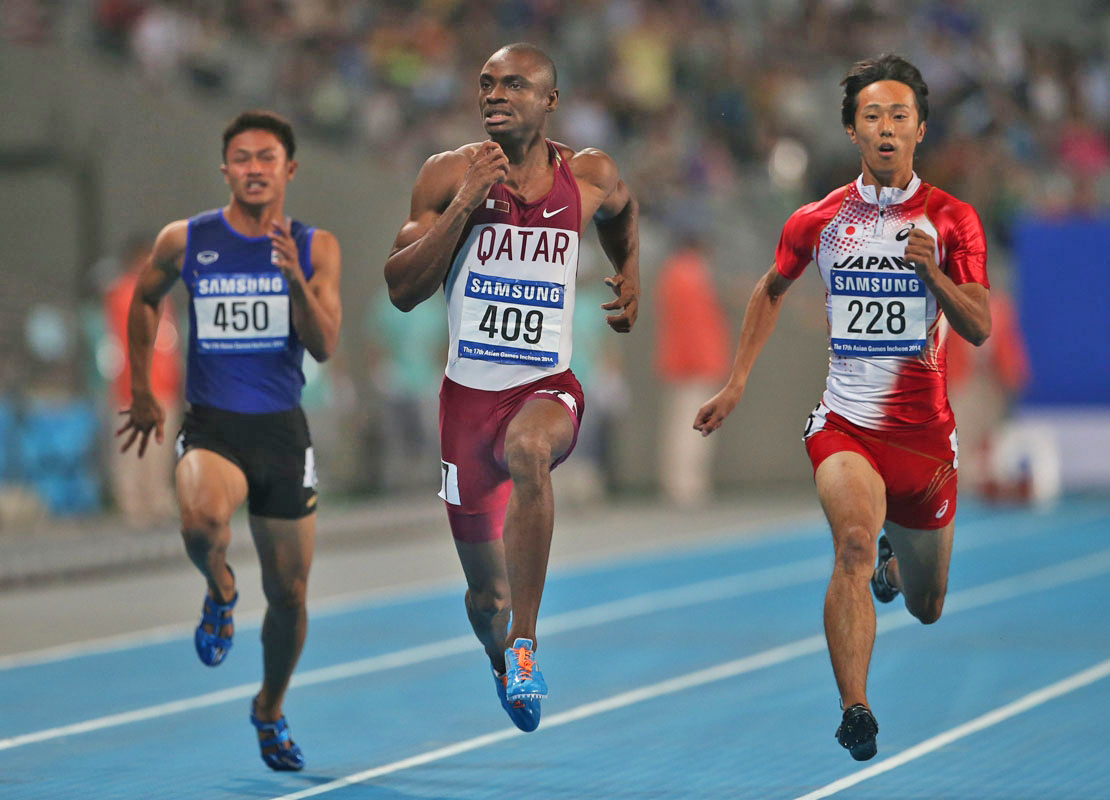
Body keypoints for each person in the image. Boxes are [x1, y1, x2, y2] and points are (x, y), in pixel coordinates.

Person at [694, 54, 991, 761]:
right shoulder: (820, 218)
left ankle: (898, 562)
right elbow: (770, 288)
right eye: (872, 117)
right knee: (850, 544)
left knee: (927, 607)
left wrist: (933, 274)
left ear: (921, 128)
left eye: (899, 116)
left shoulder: (952, 220)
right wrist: (736, 380)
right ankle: (855, 707)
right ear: (852, 131)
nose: (886, 129)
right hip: (844, 426)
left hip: (923, 447)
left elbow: (978, 324)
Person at [384, 42, 639, 733]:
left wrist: (630, 272)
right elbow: (403, 288)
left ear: (550, 102)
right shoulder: (446, 175)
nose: (496, 94)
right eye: (486, 83)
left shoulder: (587, 176)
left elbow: (621, 210)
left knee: (531, 452)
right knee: (480, 596)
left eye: (515, 85)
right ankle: (501, 654)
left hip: (545, 387)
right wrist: (468, 203)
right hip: (466, 406)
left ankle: (524, 646)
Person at [116, 110, 342, 771]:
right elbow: (142, 299)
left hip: (281, 431)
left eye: (266, 157)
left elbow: (325, 345)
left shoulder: (315, 245)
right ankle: (219, 591)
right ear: (225, 169)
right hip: (213, 424)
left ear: (288, 169)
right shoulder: (186, 239)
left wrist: (294, 279)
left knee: (292, 597)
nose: (253, 168)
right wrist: (140, 390)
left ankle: (269, 707)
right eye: (241, 157)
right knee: (201, 521)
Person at [102, 234, 182, 527]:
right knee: (132, 448)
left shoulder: (163, 293)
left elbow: (166, 342)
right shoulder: (123, 292)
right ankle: (133, 505)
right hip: (133, 388)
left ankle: (157, 501)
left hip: (163, 386)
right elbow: (128, 341)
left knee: (158, 449)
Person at [653, 231, 730, 506]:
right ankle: (685, 485)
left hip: (688, 363)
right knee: (691, 428)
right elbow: (693, 327)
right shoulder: (688, 273)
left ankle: (684, 483)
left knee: (684, 427)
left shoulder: (678, 272)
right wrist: (700, 362)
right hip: (693, 365)